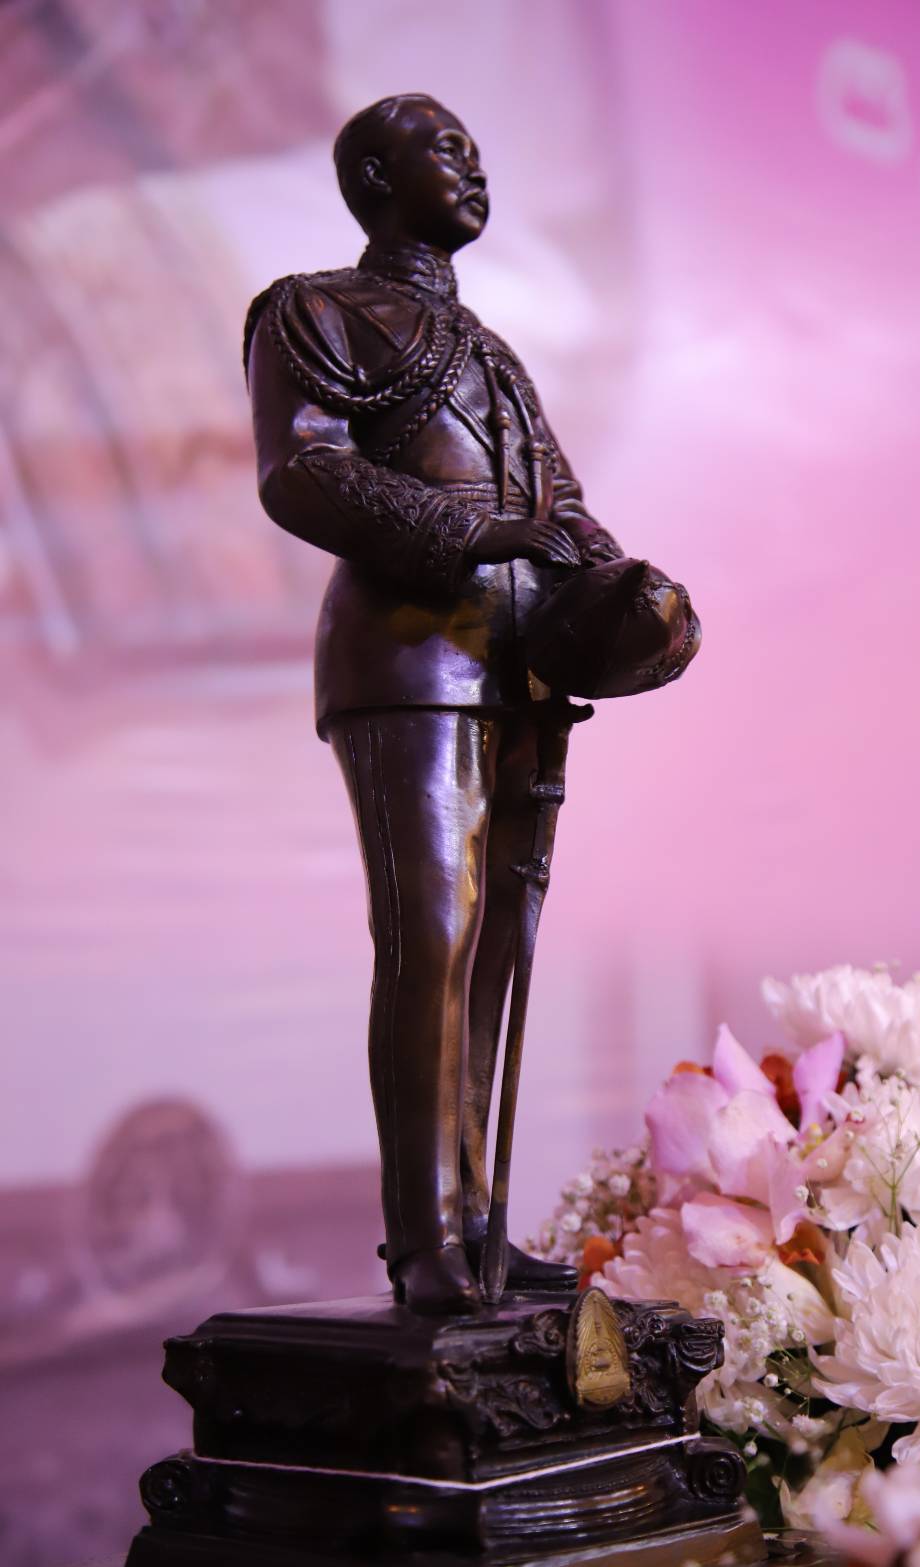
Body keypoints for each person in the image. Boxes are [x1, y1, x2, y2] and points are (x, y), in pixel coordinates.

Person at [245, 94, 623, 1314]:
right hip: (407, 661)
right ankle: (424, 1244)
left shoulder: (493, 352)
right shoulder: (312, 309)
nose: (471, 164)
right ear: (372, 176)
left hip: (520, 667)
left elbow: (562, 509)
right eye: (443, 147)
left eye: (476, 147)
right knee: (434, 938)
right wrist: (470, 532)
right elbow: (303, 469)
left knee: (499, 944)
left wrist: (625, 594)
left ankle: (481, 1231)